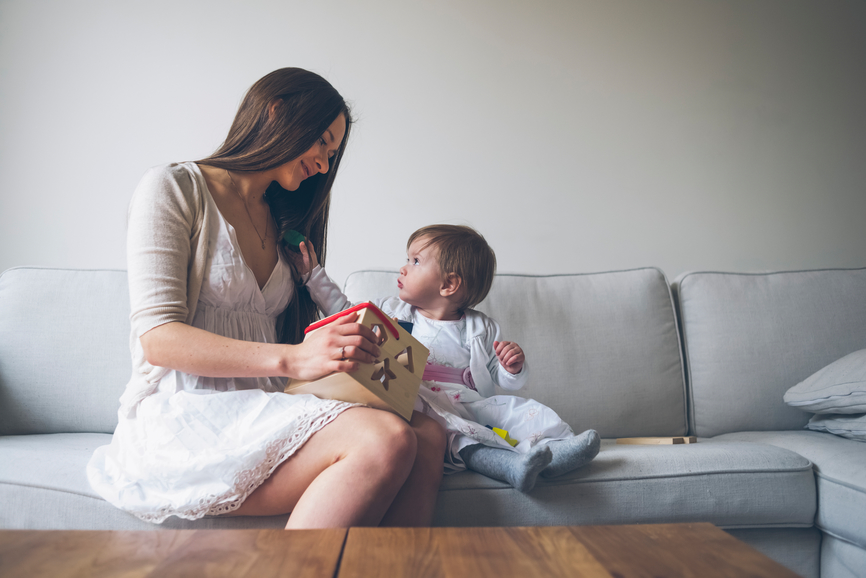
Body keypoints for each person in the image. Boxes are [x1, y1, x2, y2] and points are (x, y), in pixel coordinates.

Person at [86, 68, 446, 529]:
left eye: (332, 155)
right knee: (385, 438)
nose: (323, 164)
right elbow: (160, 339)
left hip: (266, 404)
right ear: (278, 112)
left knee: (429, 434)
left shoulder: (285, 223)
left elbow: (306, 333)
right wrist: (294, 359)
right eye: (322, 143)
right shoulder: (174, 188)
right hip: (189, 411)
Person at [299, 224, 600, 493]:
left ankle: (556, 450)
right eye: (407, 259)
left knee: (523, 412)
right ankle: (512, 468)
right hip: (415, 402)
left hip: (468, 403)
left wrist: (513, 367)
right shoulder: (391, 313)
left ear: (448, 285)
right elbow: (344, 313)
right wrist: (314, 276)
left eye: (415, 261)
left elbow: (501, 377)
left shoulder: (480, 327)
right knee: (457, 437)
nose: (403, 268)